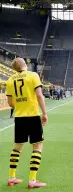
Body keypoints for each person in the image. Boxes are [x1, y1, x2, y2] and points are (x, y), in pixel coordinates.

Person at [6, 57, 48, 189]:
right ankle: (32, 180)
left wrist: (20, 105)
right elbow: (40, 95)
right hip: (32, 115)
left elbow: (10, 103)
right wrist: (45, 113)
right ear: (25, 65)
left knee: (17, 147)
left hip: (19, 117)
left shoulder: (10, 80)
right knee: (37, 147)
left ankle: (12, 177)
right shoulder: (33, 75)